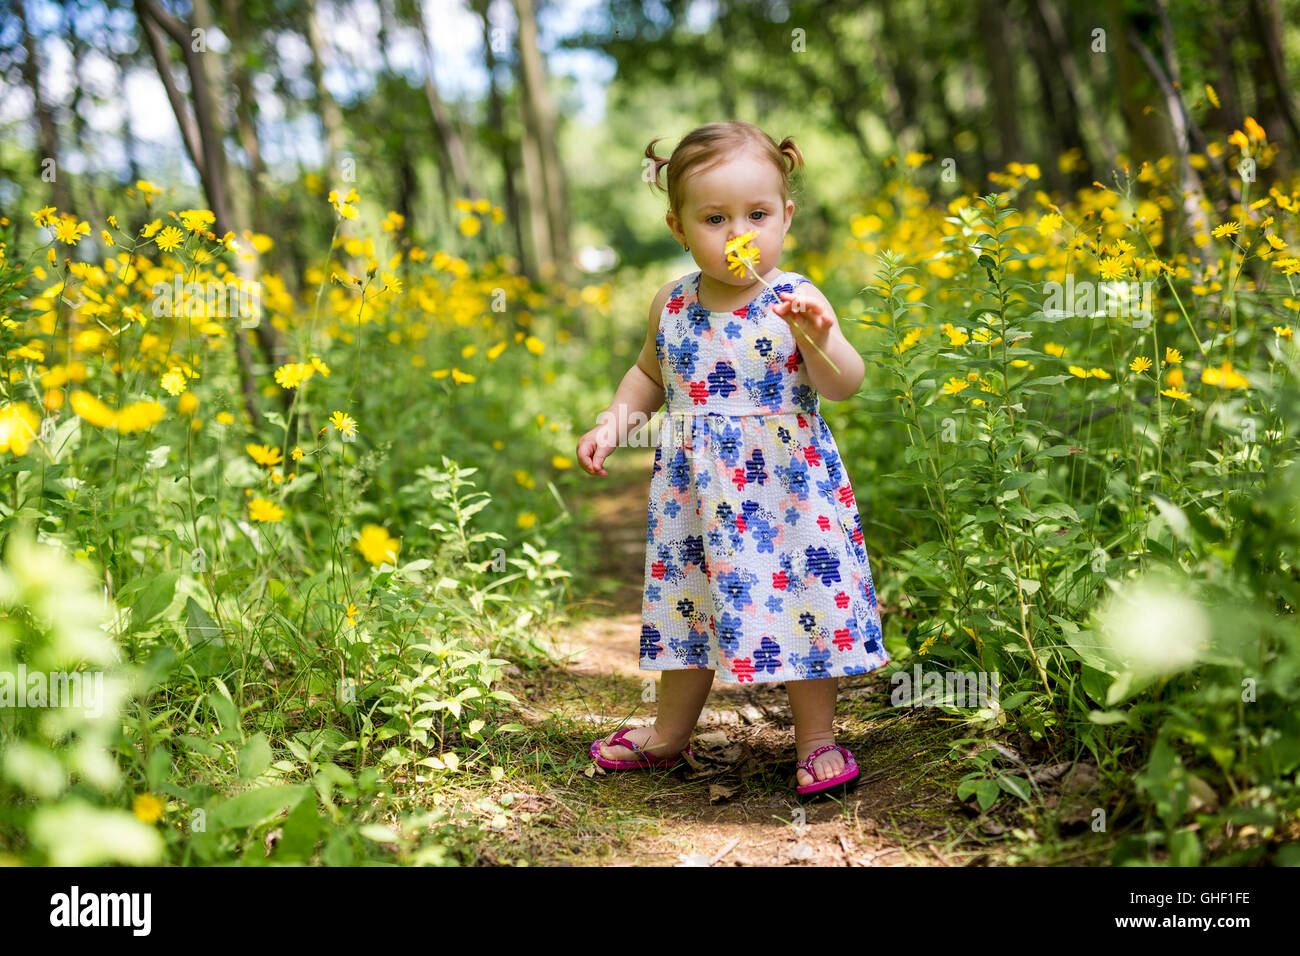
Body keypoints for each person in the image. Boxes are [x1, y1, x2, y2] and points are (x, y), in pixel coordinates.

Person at [575, 120, 889, 797]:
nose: (736, 231)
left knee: (806, 600)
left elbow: (844, 383)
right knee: (689, 607)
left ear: (786, 216)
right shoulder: (674, 302)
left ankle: (815, 739)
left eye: (756, 214)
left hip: (789, 493)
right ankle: (668, 736)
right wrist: (612, 423)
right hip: (698, 499)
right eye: (714, 218)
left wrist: (819, 336)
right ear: (679, 227)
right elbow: (648, 376)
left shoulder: (796, 299)